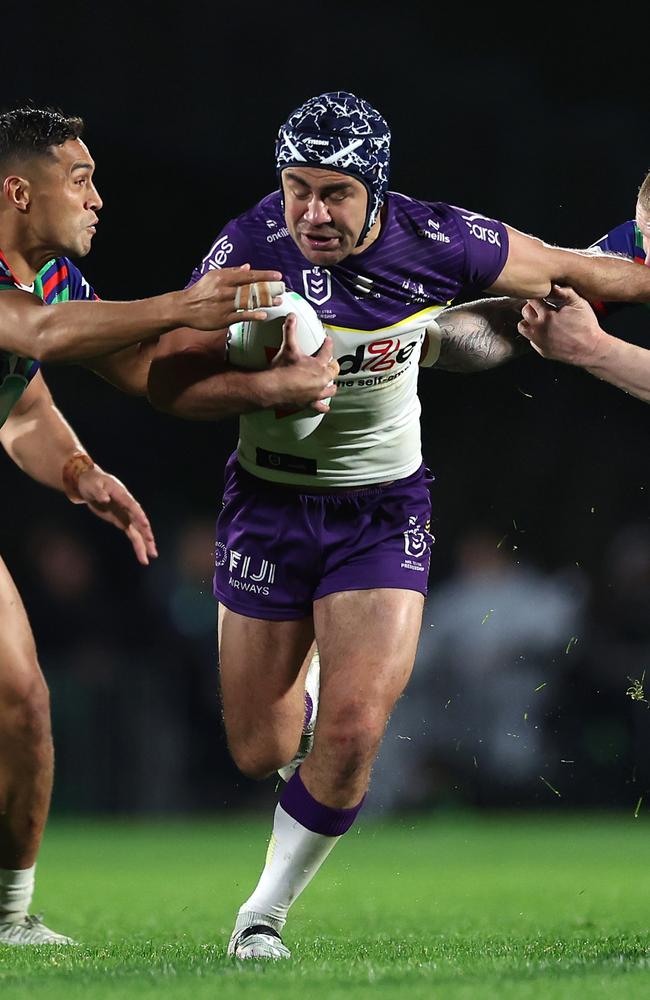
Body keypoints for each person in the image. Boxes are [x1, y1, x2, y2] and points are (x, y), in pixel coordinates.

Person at [147, 91, 650, 961]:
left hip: (384, 508)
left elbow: (590, 277)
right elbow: (163, 381)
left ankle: (260, 917)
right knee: (257, 746)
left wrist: (641, 246)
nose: (312, 212)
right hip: (267, 506)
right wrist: (266, 389)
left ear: (376, 190)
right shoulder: (246, 249)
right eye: (297, 187)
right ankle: (297, 691)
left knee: (351, 732)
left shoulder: (448, 240)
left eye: (335, 192)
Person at [0, 105, 286, 947]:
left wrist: (82, 470)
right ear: (18, 190)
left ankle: (7, 922)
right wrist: (182, 302)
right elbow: (34, 335)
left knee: (20, 701)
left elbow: (29, 403)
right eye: (79, 180)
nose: (97, 199)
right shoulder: (30, 299)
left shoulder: (48, 279)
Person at [518, 169, 650, 399]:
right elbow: (535, 310)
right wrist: (433, 337)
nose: (648, 261)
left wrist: (592, 347)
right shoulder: (635, 244)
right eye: (645, 232)